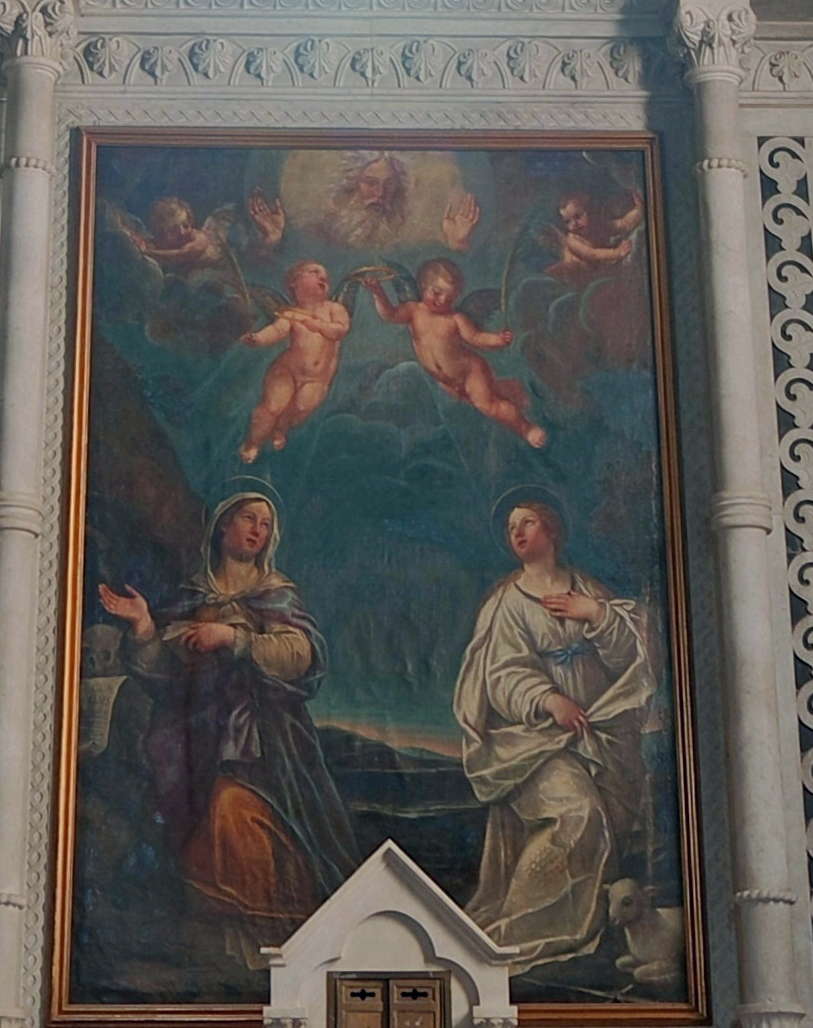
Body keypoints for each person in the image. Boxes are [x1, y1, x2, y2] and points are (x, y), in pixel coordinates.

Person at [96, 490, 357, 940]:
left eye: (266, 524)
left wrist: (233, 639)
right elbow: (162, 672)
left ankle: (272, 935)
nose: (258, 530)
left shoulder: (273, 594)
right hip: (195, 737)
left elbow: (300, 653)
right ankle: (222, 943)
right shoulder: (193, 595)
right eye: (249, 519)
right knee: (196, 833)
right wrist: (143, 628)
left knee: (236, 815)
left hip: (261, 738)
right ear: (222, 525)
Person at [453, 493, 652, 972]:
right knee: (577, 812)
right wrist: (548, 699)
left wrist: (596, 616)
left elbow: (636, 655)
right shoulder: (508, 603)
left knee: (611, 821)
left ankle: (591, 924)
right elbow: (500, 675)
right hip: (538, 744)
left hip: (602, 735)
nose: (517, 533)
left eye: (528, 522)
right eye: (510, 527)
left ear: (553, 531)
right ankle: (519, 933)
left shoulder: (589, 591)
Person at [361, 255, 547, 447]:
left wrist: (498, 339)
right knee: (477, 399)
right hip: (447, 382)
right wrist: (379, 293)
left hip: (470, 372)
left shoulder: (455, 318)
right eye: (437, 292)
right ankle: (508, 388)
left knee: (487, 405)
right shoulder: (413, 311)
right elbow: (390, 314)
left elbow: (475, 338)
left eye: (449, 298)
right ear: (423, 285)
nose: (442, 301)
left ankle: (526, 429)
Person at [238, 261, 355, 462]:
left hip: (317, 379)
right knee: (272, 407)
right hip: (288, 370)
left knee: (301, 408)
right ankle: (253, 442)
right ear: (294, 283)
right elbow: (276, 331)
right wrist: (257, 339)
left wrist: (318, 325)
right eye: (314, 272)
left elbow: (341, 329)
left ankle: (280, 428)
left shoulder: (334, 309)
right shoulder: (291, 314)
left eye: (325, 276)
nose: (323, 277)